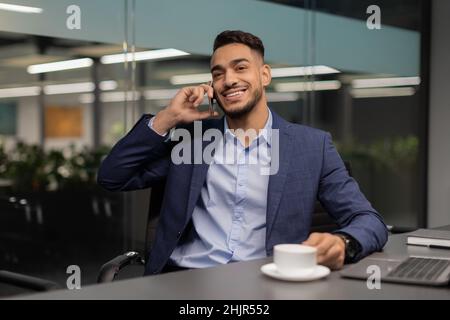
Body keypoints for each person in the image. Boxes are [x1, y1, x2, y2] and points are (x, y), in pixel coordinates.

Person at [98, 30, 388, 275]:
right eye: (218, 73)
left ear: (264, 75)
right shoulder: (193, 141)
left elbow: (369, 220)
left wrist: (343, 243)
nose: (229, 80)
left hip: (266, 282)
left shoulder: (311, 147)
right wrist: (167, 118)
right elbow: (112, 177)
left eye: (240, 68)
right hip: (187, 281)